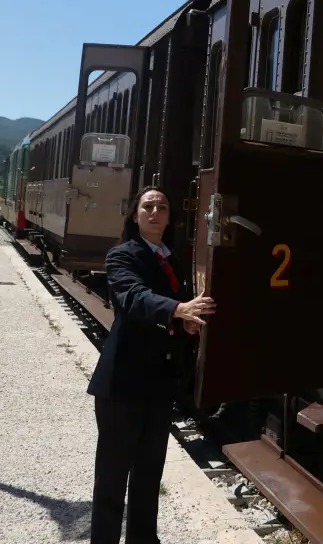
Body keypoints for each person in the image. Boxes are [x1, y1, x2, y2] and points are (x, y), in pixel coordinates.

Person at [87, 186, 216, 544]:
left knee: (148, 474)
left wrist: (182, 322)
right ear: (135, 215)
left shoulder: (173, 259)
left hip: (159, 382)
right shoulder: (122, 257)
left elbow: (166, 312)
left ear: (170, 216)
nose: (155, 212)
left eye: (162, 206)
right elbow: (133, 298)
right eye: (148, 207)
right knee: (113, 477)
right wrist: (177, 309)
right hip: (123, 383)